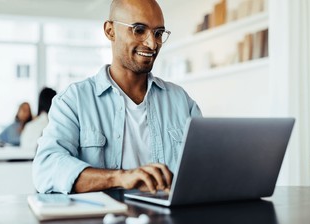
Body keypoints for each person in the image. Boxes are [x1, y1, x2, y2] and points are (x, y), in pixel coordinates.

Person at [33, 0, 202, 194]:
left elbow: (207, 165)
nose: (151, 43)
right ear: (110, 31)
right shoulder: (74, 100)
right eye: (139, 30)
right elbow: (46, 169)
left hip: (167, 220)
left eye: (158, 33)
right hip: (101, 220)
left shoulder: (181, 101)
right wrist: (120, 177)